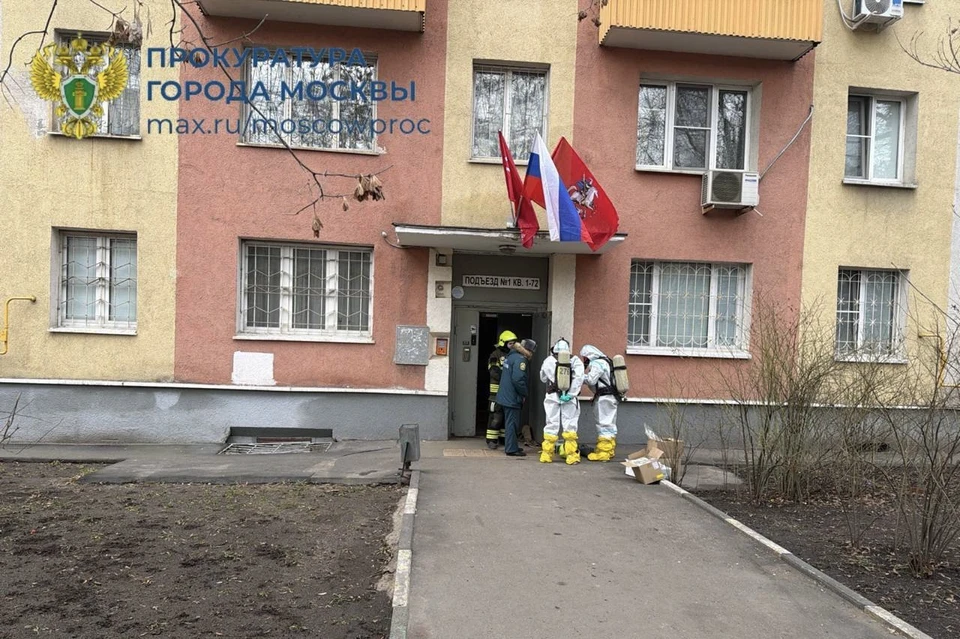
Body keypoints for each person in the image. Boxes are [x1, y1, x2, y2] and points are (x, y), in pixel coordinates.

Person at [539, 338, 585, 464]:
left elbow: (543, 378)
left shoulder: (548, 360)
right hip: (569, 399)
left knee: (551, 424)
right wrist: (571, 394)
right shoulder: (575, 360)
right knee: (570, 425)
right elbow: (579, 379)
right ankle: (571, 456)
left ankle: (546, 455)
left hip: (552, 396)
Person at [495, 338, 536, 457]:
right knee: (512, 423)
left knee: (510, 422)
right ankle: (511, 449)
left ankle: (511, 445)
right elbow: (518, 379)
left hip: (505, 395)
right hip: (512, 397)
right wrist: (524, 393)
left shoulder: (511, 356)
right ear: (528, 350)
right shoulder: (520, 359)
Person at [579, 345, 619, 461]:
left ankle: (603, 453)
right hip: (611, 396)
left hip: (604, 398)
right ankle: (609, 450)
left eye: (584, 358)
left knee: (604, 424)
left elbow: (591, 380)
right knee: (610, 424)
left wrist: (578, 377)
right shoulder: (606, 361)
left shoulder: (597, 363)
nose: (584, 361)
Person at [485, 330, 518, 450]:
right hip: (496, 393)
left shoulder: (514, 355)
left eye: (514, 343)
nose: (512, 346)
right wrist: (507, 378)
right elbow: (494, 372)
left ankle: (504, 439)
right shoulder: (495, 355)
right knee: (496, 416)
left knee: (506, 416)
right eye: (510, 343)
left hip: (508, 392)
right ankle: (491, 440)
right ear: (503, 343)